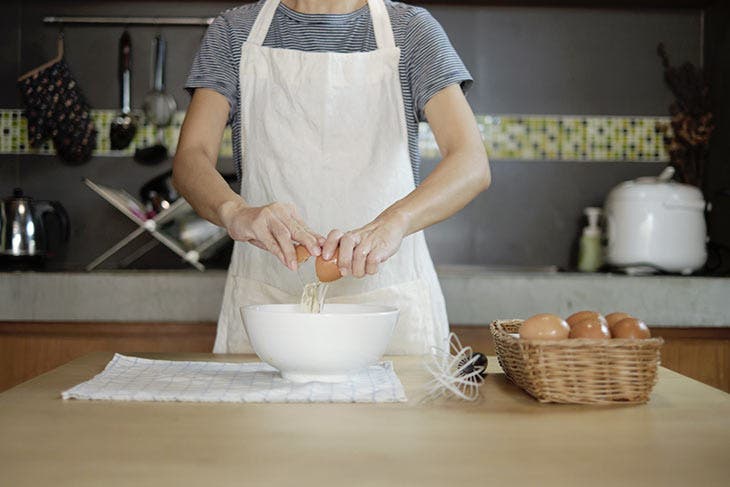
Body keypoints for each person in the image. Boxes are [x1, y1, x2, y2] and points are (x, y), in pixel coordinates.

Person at [173, 0, 491, 354]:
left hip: (388, 300)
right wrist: (235, 212)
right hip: (268, 302)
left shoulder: (411, 29)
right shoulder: (234, 31)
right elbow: (191, 158)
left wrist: (394, 222)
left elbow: (470, 161)